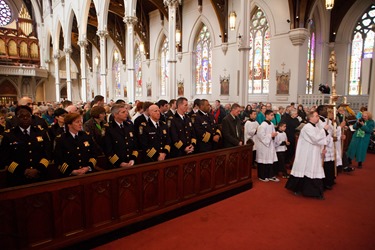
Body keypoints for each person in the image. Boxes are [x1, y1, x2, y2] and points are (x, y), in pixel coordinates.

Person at [1, 105, 51, 186]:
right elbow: (4, 158)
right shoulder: (9, 135)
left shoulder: (41, 132)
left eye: (28, 116)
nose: (25, 118)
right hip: (18, 178)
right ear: (16, 118)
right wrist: (23, 171)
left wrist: (38, 169)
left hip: (40, 175)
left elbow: (47, 153)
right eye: (21, 116)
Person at [285, 111, 329, 200]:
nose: (318, 118)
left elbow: (319, 140)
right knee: (306, 169)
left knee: (311, 169)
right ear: (310, 118)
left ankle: (314, 191)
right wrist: (324, 130)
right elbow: (315, 139)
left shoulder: (316, 126)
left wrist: (322, 149)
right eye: (316, 116)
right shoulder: (307, 127)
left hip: (314, 152)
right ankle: (303, 190)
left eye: (318, 116)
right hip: (306, 153)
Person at [103, 104, 139, 168]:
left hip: (131, 162)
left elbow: (135, 144)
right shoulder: (108, 128)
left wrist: (133, 159)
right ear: (115, 114)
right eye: (123, 112)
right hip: (116, 165)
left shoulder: (129, 125)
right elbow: (108, 150)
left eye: (126, 111)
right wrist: (120, 163)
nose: (126, 114)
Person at [256, 110, 279, 182]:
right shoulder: (262, 125)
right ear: (267, 115)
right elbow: (260, 136)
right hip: (264, 145)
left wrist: (274, 135)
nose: (273, 116)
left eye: (273, 115)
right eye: (271, 115)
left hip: (270, 144)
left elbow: (272, 133)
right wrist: (270, 135)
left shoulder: (271, 124)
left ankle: (270, 175)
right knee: (263, 161)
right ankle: (262, 176)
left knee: (270, 160)